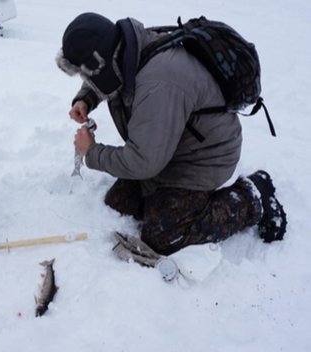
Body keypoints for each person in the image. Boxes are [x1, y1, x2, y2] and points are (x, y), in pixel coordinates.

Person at [56, 13, 287, 255]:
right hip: (170, 146)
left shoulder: (159, 83)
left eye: (87, 75)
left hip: (204, 158)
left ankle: (251, 197)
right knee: (119, 203)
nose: (87, 80)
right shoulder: (129, 48)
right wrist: (87, 98)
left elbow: (142, 162)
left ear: (99, 61)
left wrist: (91, 152)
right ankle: (167, 201)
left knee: (163, 236)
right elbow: (111, 76)